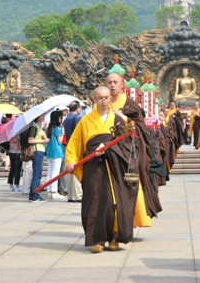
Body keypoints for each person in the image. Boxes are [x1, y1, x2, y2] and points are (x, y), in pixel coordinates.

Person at [65, 86, 139, 253]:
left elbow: (128, 144)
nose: (104, 100)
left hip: (114, 166)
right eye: (100, 98)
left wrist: (110, 149)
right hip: (93, 167)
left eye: (106, 97)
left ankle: (114, 237)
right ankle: (97, 240)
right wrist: (71, 161)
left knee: (114, 202)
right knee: (95, 202)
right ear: (94, 99)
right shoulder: (85, 120)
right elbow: (75, 143)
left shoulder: (118, 119)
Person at [106, 72, 162, 228]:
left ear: (122, 84)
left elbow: (141, 129)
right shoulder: (103, 104)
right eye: (109, 82)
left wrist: (125, 119)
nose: (112, 85)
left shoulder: (129, 104)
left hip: (128, 150)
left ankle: (135, 219)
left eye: (115, 82)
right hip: (107, 151)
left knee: (131, 184)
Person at [63, 101, 83, 202]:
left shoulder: (66, 119)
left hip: (68, 145)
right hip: (76, 145)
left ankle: (70, 195)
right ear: (78, 108)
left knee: (68, 170)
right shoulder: (77, 118)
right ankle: (77, 195)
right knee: (76, 169)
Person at [28, 114, 49, 203]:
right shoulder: (33, 127)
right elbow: (30, 140)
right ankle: (34, 195)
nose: (44, 117)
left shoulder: (38, 126)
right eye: (42, 116)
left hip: (40, 150)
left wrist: (44, 132)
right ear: (38, 117)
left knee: (38, 173)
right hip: (37, 151)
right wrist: (42, 141)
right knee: (37, 174)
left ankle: (34, 194)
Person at [45, 111, 65, 200]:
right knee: (55, 172)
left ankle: (49, 190)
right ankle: (54, 191)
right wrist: (63, 133)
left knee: (50, 171)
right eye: (60, 118)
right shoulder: (57, 128)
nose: (61, 119)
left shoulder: (49, 128)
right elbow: (60, 141)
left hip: (49, 151)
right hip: (57, 151)